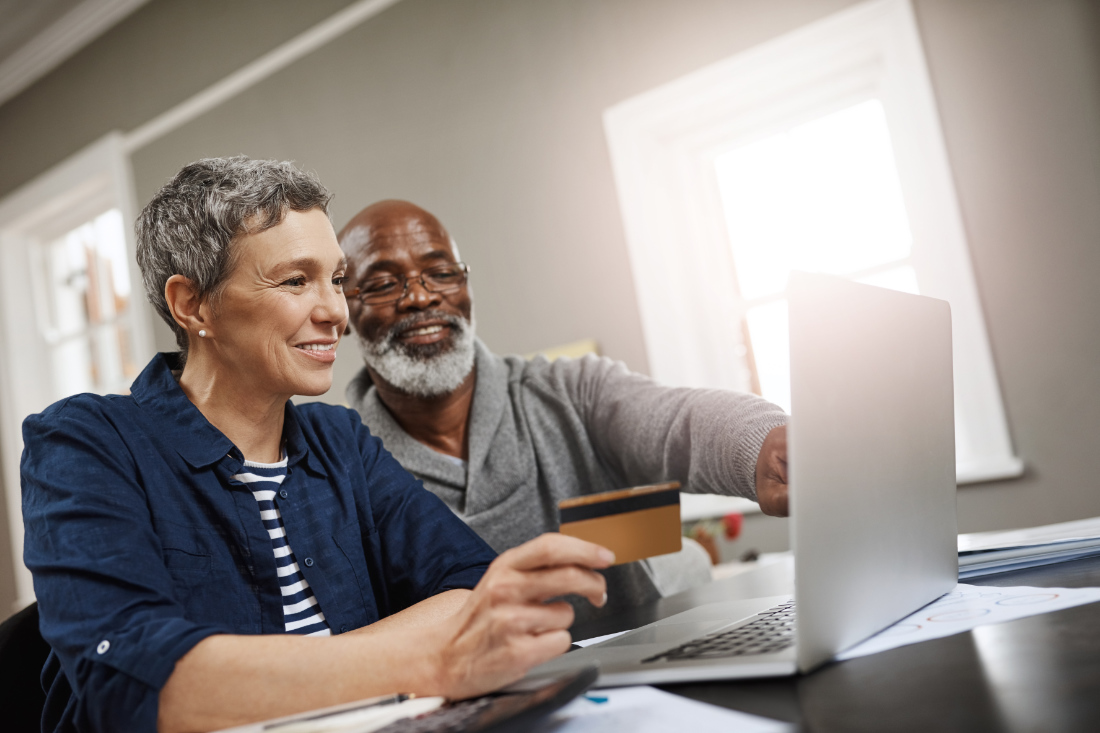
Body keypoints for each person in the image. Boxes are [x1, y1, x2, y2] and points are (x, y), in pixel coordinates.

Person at [21, 158, 613, 733]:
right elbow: (138, 686)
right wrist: (424, 661)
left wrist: (277, 677)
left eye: (336, 280)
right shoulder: (84, 443)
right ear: (192, 304)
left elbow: (474, 589)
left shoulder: (341, 441)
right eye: (296, 281)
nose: (336, 311)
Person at [338, 200, 790, 621]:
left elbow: (678, 422)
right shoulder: (338, 471)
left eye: (441, 273)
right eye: (382, 284)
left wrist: (764, 447)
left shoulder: (572, 391)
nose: (421, 297)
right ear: (343, 310)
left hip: (636, 679)